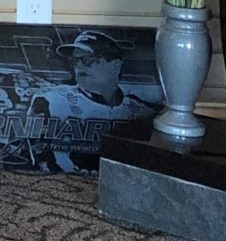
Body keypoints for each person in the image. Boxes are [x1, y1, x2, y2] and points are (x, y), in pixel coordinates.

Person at [30, 28, 155, 173]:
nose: (79, 66)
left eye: (88, 60)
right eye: (74, 61)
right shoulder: (54, 101)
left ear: (115, 66)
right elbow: (41, 158)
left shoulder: (141, 111)